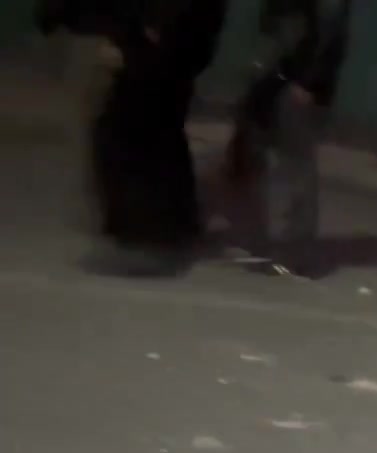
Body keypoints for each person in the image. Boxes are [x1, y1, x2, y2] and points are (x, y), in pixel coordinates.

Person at [84, 0, 228, 276]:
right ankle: (169, 230)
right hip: (176, 44)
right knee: (159, 135)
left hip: (162, 47)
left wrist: (146, 30)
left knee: (128, 134)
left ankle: (142, 236)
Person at [226, 0, 352, 278]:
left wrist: (308, 81)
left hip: (296, 83)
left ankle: (290, 251)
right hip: (289, 78)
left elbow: (327, 31)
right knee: (285, 164)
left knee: (292, 166)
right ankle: (285, 247)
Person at [35, 0, 124, 231]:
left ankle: (94, 210)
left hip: (94, 35)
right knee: (93, 126)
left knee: (89, 127)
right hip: (107, 35)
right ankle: (97, 210)